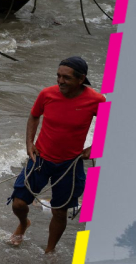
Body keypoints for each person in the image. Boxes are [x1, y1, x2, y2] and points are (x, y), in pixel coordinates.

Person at [9, 56, 106, 253]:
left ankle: (49, 250)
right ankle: (23, 223)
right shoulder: (47, 94)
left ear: (81, 79)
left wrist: (96, 147)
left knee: (59, 211)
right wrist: (29, 143)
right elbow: (35, 115)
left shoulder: (96, 100)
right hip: (40, 159)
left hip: (69, 164)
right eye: (58, 76)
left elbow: (109, 122)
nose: (60, 81)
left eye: (66, 78)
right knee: (18, 203)